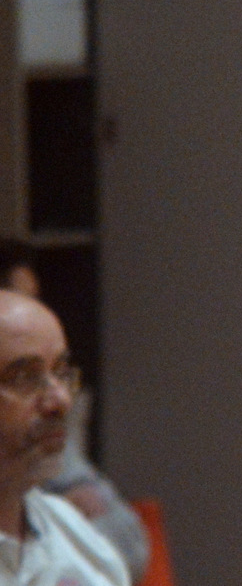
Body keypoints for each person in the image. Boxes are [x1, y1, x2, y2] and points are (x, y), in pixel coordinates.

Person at [0, 242, 148, 584]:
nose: (61, 400)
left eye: (62, 372)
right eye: (25, 377)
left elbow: (133, 546)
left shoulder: (72, 532)